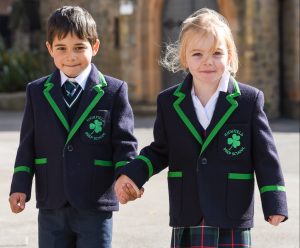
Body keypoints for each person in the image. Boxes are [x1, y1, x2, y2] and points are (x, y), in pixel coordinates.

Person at [115, 8, 288, 248]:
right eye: (197, 54)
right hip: (188, 209)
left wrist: (275, 201)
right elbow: (160, 150)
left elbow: (265, 156)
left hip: (232, 211)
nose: (208, 61)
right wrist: (132, 175)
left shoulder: (248, 100)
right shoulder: (169, 102)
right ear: (184, 58)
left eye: (217, 53)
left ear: (230, 56)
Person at [8, 6, 138, 248]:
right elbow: (27, 145)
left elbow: (124, 142)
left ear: (95, 47)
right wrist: (20, 186)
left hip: (95, 201)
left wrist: (128, 176)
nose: (71, 56)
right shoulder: (37, 92)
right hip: (51, 201)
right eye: (61, 48)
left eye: (79, 47)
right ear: (50, 50)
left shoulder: (113, 91)